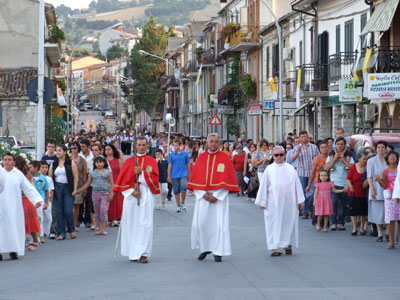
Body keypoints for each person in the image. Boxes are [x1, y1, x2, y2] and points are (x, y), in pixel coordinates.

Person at [187, 133, 239, 262]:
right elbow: (195, 178)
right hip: (203, 197)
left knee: (219, 225)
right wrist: (203, 194)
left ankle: (218, 251)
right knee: (202, 223)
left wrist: (216, 195)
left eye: (216, 141)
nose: (214, 144)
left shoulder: (224, 158)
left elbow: (227, 178)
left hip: (219, 197)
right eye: (211, 141)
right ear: (207, 143)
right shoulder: (201, 158)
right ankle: (205, 248)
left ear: (219, 143)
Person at [113, 137, 160, 263]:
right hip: (132, 197)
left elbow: (155, 179)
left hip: (146, 195)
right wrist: (132, 192)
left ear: (147, 146)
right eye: (139, 145)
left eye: (144, 145)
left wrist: (142, 173)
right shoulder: (129, 162)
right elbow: (122, 181)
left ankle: (144, 253)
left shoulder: (151, 161)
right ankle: (134, 252)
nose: (141, 147)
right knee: (132, 224)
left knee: (145, 224)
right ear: (135, 146)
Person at [255, 146, 305, 257]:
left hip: (289, 202)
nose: (278, 157)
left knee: (288, 223)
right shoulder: (269, 169)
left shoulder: (290, 168)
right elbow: (263, 186)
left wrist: (300, 200)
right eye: (276, 155)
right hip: (273, 203)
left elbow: (297, 185)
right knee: (274, 224)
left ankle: (287, 245)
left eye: (281, 155)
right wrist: (262, 201)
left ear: (284, 155)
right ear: (273, 156)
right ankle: (276, 247)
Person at [0, 153, 43, 260]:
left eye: (9, 160)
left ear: (14, 162)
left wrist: (36, 200)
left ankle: (14, 250)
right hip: (2, 205)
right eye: (5, 160)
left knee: (14, 227)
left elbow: (28, 188)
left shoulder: (18, 174)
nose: (7, 162)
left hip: (15, 206)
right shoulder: (0, 173)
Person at [74, 156, 114, 235]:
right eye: (97, 162)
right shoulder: (93, 172)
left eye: (101, 162)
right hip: (95, 193)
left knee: (103, 210)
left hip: (105, 193)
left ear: (104, 163)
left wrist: (111, 193)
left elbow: (112, 183)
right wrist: (79, 190)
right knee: (97, 211)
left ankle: (103, 228)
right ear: (95, 163)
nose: (99, 164)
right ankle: (99, 228)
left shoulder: (107, 171)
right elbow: (88, 183)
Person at [49, 145, 78, 240]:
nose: (57, 152)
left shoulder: (70, 163)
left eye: (60, 150)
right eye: (57, 151)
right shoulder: (54, 164)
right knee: (58, 211)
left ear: (65, 152)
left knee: (68, 211)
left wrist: (74, 189)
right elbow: (50, 178)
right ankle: (61, 232)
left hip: (67, 188)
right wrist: (51, 191)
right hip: (57, 188)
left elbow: (75, 177)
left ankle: (71, 229)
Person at [324, 137, 353, 231]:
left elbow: (352, 167)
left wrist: (343, 159)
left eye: (342, 144)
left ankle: (341, 222)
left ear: (345, 145)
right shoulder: (331, 155)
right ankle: (333, 222)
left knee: (344, 205)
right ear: (335, 145)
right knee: (333, 203)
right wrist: (335, 159)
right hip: (334, 183)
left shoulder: (349, 155)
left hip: (345, 183)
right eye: (338, 144)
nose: (340, 146)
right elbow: (326, 168)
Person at [290, 130, 319, 219]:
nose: (304, 138)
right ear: (299, 138)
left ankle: (309, 208)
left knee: (313, 191)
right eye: (302, 136)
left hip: (312, 173)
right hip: (302, 173)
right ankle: (305, 211)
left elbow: (318, 157)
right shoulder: (297, 148)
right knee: (302, 192)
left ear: (308, 137)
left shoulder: (313, 147)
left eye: (305, 136)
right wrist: (298, 152)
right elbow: (292, 159)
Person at [367, 141, 388, 242]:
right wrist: (372, 190)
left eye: (382, 147)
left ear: (386, 149)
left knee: (388, 212)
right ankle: (380, 233)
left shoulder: (390, 160)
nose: (380, 149)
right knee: (377, 212)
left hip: (388, 188)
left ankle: (388, 232)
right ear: (376, 149)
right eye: (378, 147)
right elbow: (369, 177)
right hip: (376, 187)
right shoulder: (371, 161)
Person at [379, 151, 400, 249]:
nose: (392, 158)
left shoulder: (399, 169)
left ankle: (399, 242)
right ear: (387, 159)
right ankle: (391, 242)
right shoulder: (385, 171)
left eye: (394, 156)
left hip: (399, 195)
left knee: (399, 220)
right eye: (390, 156)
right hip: (390, 197)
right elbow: (385, 185)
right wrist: (379, 181)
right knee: (391, 220)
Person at [346, 151, 369, 236]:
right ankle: (355, 227)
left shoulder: (368, 167)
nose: (365, 161)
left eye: (366, 159)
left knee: (363, 211)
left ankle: (362, 227)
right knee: (353, 211)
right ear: (359, 159)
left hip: (364, 191)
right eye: (363, 159)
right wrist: (350, 186)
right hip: (353, 191)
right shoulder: (353, 167)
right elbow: (348, 178)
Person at [29, 160, 50, 249]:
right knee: (31, 219)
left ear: (36, 168)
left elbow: (46, 190)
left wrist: (46, 202)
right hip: (31, 200)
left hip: (40, 200)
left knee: (38, 218)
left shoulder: (43, 179)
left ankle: (38, 236)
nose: (29, 169)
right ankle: (33, 237)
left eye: (31, 167)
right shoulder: (29, 178)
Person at [168, 139, 190, 212]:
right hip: (174, 175)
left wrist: (189, 174)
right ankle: (178, 206)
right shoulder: (172, 154)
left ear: (180, 146)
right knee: (176, 191)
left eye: (176, 145)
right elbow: (169, 166)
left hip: (183, 173)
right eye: (174, 145)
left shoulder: (185, 154)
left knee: (184, 187)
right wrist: (169, 176)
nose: (175, 146)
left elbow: (188, 164)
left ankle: (183, 203)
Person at [105, 143, 123, 226]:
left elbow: (121, 173)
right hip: (105, 183)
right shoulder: (103, 161)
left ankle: (116, 218)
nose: (107, 151)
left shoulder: (117, 161)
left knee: (116, 201)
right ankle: (108, 219)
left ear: (113, 151)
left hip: (116, 182)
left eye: (109, 149)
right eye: (106, 149)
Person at [70, 142, 87, 231]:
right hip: (70, 185)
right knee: (69, 206)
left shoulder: (83, 160)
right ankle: (68, 223)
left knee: (76, 205)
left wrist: (84, 187)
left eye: (75, 148)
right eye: (72, 148)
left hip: (79, 185)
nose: (73, 150)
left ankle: (74, 224)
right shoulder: (68, 159)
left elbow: (84, 174)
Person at [39, 160, 54, 243]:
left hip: (47, 200)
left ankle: (46, 233)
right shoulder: (37, 178)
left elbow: (51, 189)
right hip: (40, 200)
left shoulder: (49, 179)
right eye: (42, 167)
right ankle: (40, 234)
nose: (44, 169)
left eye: (46, 167)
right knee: (40, 217)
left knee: (48, 218)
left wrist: (50, 199)